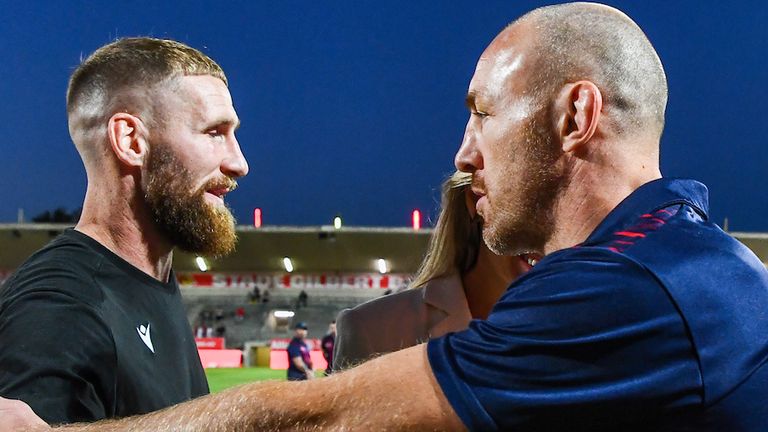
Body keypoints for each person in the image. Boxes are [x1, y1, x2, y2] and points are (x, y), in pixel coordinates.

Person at [5, 3, 768, 430]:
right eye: (217, 133)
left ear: (576, 117)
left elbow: (322, 419)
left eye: (483, 113)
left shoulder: (631, 289)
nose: (465, 152)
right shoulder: (679, 258)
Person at [0, 37, 248, 424]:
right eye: (214, 132)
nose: (238, 162)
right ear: (131, 141)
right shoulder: (61, 309)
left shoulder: (147, 275)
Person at [333, 171, 531, 370]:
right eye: (534, 205)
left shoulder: (559, 331)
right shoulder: (373, 330)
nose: (555, 235)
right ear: (478, 200)